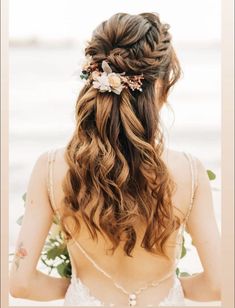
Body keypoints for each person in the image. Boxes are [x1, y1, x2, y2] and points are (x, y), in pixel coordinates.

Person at [9, 12, 221, 306]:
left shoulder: (50, 168)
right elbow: (218, 285)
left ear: (95, 76)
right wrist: (170, 289)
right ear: (159, 86)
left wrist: (78, 291)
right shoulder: (191, 173)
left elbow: (20, 284)